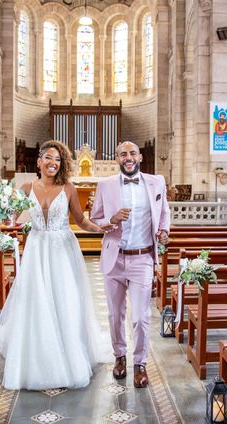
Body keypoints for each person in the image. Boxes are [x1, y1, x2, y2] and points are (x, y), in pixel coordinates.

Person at [0, 140, 113, 390]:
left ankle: (67, 357)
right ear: (39, 161)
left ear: (62, 164)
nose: (53, 163)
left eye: (58, 159)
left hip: (62, 250)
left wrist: (101, 227)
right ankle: (38, 359)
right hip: (37, 249)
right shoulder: (26, 188)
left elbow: (80, 220)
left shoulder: (68, 188)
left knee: (64, 300)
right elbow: (11, 219)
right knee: (36, 302)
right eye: (48, 158)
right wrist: (5, 217)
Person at [90, 141, 170, 388]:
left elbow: (164, 211)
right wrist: (111, 219)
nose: (128, 157)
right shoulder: (105, 185)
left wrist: (164, 230)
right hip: (115, 257)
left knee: (141, 317)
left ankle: (140, 363)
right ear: (117, 159)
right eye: (123, 154)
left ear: (140, 157)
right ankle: (120, 357)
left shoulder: (156, 182)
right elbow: (95, 219)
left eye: (132, 153)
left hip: (142, 258)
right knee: (115, 315)